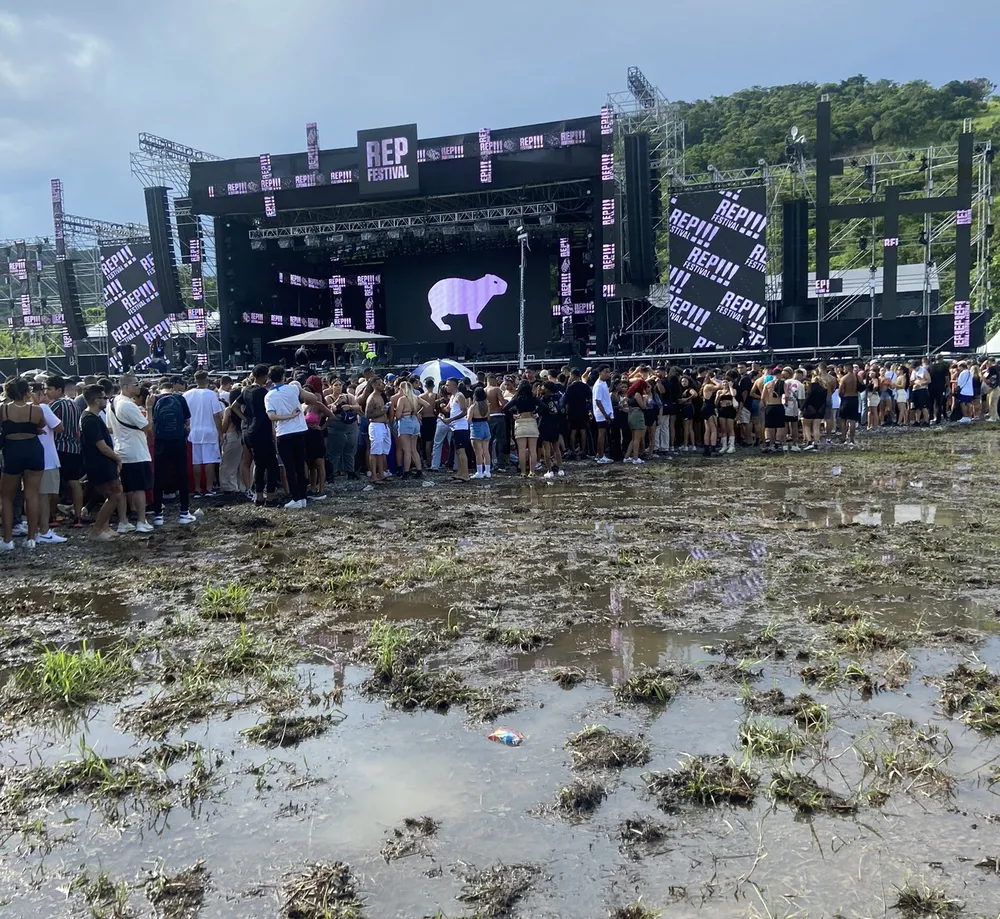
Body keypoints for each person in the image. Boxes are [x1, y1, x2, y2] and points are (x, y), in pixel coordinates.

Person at [1, 378, 46, 550]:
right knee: (32, 495)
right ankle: (31, 539)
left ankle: (7, 540)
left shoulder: (3, 409)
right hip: (33, 450)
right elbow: (41, 425)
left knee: (6, 497)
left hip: (12, 450)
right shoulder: (35, 410)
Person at [108, 373, 153, 533]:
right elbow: (147, 426)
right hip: (136, 451)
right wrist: (149, 408)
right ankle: (141, 521)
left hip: (120, 448)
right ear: (125, 386)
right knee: (139, 488)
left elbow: (110, 427)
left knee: (124, 489)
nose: (138, 387)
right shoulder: (129, 405)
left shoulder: (111, 402)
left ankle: (123, 521)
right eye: (135, 384)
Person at [148, 377, 196, 526]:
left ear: (160, 388)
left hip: (160, 443)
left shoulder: (153, 399)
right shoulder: (179, 398)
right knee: (182, 476)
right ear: (172, 388)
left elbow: (151, 424)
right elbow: (187, 421)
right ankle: (184, 513)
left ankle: (158, 515)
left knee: (158, 478)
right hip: (178, 442)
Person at [79, 384, 124, 541]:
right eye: (104, 398)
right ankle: (97, 529)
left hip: (102, 462)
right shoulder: (90, 420)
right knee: (115, 494)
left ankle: (104, 527)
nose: (106, 400)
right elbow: (102, 446)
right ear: (96, 400)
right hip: (100, 463)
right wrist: (117, 458)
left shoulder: (92, 417)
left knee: (112, 494)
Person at [264, 365, 310, 507]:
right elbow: (308, 398)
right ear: (284, 376)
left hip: (284, 433)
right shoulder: (293, 389)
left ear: (270, 379)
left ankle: (296, 498)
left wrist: (287, 416)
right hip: (299, 430)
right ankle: (302, 497)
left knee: (290, 467)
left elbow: (271, 416)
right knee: (300, 465)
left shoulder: (269, 395)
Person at [236, 365, 280, 506]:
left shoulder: (246, 390)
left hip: (249, 430)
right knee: (272, 465)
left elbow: (234, 406)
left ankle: (259, 496)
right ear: (264, 376)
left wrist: (245, 418)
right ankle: (271, 498)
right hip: (263, 431)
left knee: (259, 465)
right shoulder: (264, 392)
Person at [46, 376, 85, 529]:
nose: (47, 392)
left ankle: (51, 516)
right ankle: (78, 517)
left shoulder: (54, 406)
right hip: (74, 448)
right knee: (75, 483)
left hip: (58, 447)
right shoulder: (74, 405)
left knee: (55, 485)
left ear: (59, 390)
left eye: (49, 389)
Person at [184, 370, 224, 496]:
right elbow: (217, 415)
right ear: (207, 380)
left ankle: (197, 489)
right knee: (209, 460)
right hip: (209, 431)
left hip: (194, 431)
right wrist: (220, 432)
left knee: (196, 461)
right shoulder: (211, 394)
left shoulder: (187, 394)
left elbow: (184, 415)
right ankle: (209, 487)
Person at [326, 379, 360, 480]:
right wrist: (337, 402)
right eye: (336, 385)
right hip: (335, 428)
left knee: (350, 450)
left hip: (350, 426)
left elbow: (358, 407)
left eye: (340, 385)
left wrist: (349, 406)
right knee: (334, 452)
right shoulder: (328, 398)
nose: (338, 387)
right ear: (331, 386)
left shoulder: (349, 396)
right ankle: (333, 472)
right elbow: (329, 409)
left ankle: (350, 471)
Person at [362, 377, 392, 486]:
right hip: (376, 425)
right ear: (374, 385)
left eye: (382, 384)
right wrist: (381, 412)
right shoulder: (372, 398)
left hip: (383, 425)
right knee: (375, 451)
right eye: (379, 384)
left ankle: (381, 473)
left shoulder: (380, 396)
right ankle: (374, 475)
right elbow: (367, 414)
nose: (382, 386)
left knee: (381, 451)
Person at [507, 380, 539, 477]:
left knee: (521, 451)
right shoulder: (533, 398)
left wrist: (513, 415)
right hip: (532, 422)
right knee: (533, 450)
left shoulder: (517, 398)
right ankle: (532, 472)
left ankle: (523, 472)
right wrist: (536, 413)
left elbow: (505, 408)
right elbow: (545, 407)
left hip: (520, 422)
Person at [443, 378, 471, 482]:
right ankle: (460, 472)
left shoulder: (460, 396)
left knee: (462, 451)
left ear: (454, 386)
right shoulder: (452, 397)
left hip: (461, 427)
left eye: (448, 385)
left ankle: (465, 475)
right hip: (455, 427)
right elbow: (448, 409)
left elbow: (464, 411)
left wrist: (451, 419)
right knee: (458, 452)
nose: (446, 387)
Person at [537, 381, 563, 477]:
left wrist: (538, 394)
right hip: (555, 425)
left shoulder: (543, 399)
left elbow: (538, 410)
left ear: (547, 389)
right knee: (556, 449)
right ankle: (560, 469)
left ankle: (550, 471)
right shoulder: (557, 397)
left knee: (547, 450)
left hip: (545, 425)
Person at [468, 386, 492, 479]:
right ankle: (487, 471)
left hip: (476, 428)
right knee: (486, 451)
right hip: (485, 426)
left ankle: (479, 472)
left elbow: (469, 421)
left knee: (478, 452)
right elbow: (489, 417)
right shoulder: (487, 405)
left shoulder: (473, 407)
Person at [592, 366, 614, 464]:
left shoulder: (604, 383)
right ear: (600, 372)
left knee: (603, 435)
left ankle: (599, 455)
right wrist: (605, 414)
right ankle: (601, 456)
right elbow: (598, 401)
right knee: (601, 435)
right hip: (601, 414)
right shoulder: (598, 385)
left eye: (609, 372)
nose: (608, 374)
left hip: (606, 412)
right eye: (606, 372)